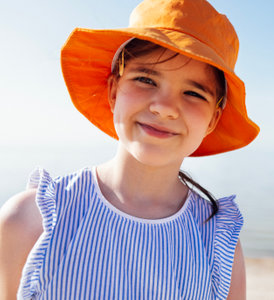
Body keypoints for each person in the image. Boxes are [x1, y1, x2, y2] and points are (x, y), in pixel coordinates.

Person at [0, 0, 259, 299]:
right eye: (146, 79)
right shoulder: (33, 219)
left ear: (214, 119)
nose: (163, 108)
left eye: (192, 93)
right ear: (113, 91)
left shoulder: (218, 242)